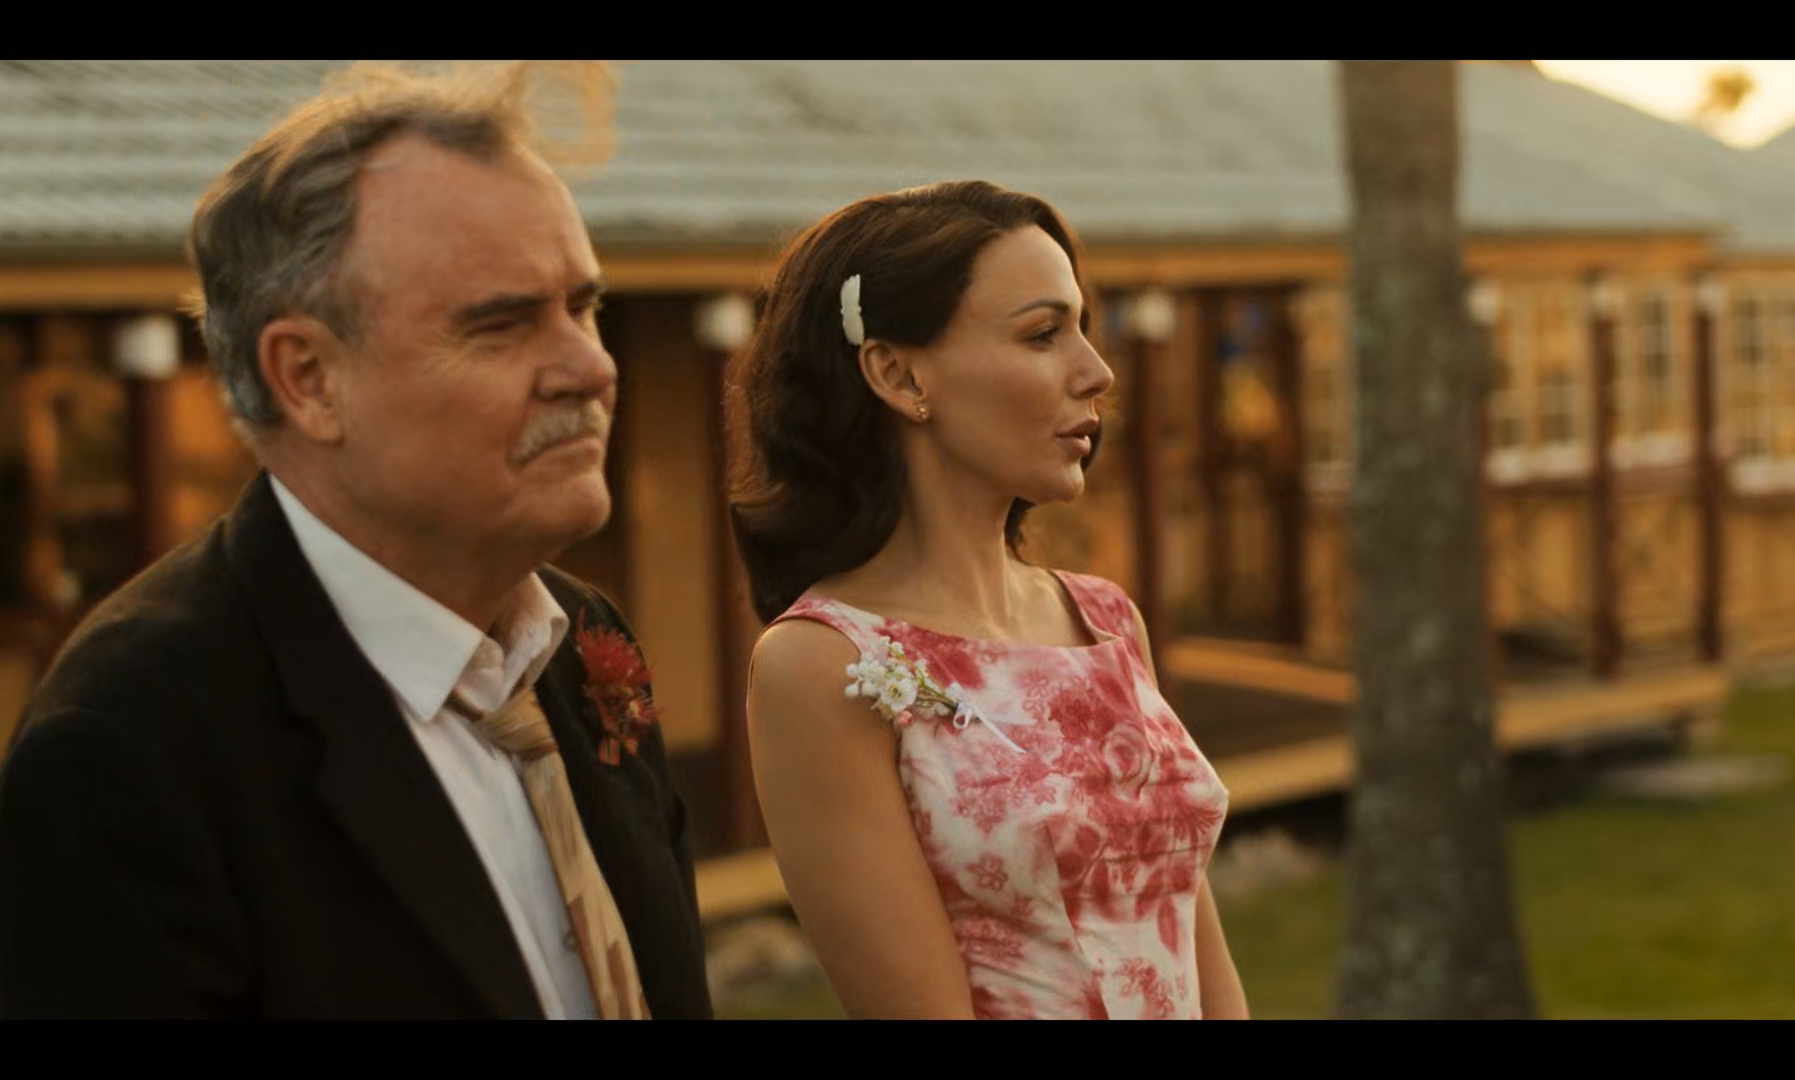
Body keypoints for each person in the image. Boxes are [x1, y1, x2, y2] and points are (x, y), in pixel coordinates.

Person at [0, 63, 712, 1019]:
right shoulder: (130, 746)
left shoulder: (585, 643)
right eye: (501, 324)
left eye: (583, 307)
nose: (589, 367)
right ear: (308, 379)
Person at [730, 181, 1248, 1019]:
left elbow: (1196, 947)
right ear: (898, 374)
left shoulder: (1105, 621)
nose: (1098, 371)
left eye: (1084, 328)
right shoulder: (825, 664)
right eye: (1043, 334)